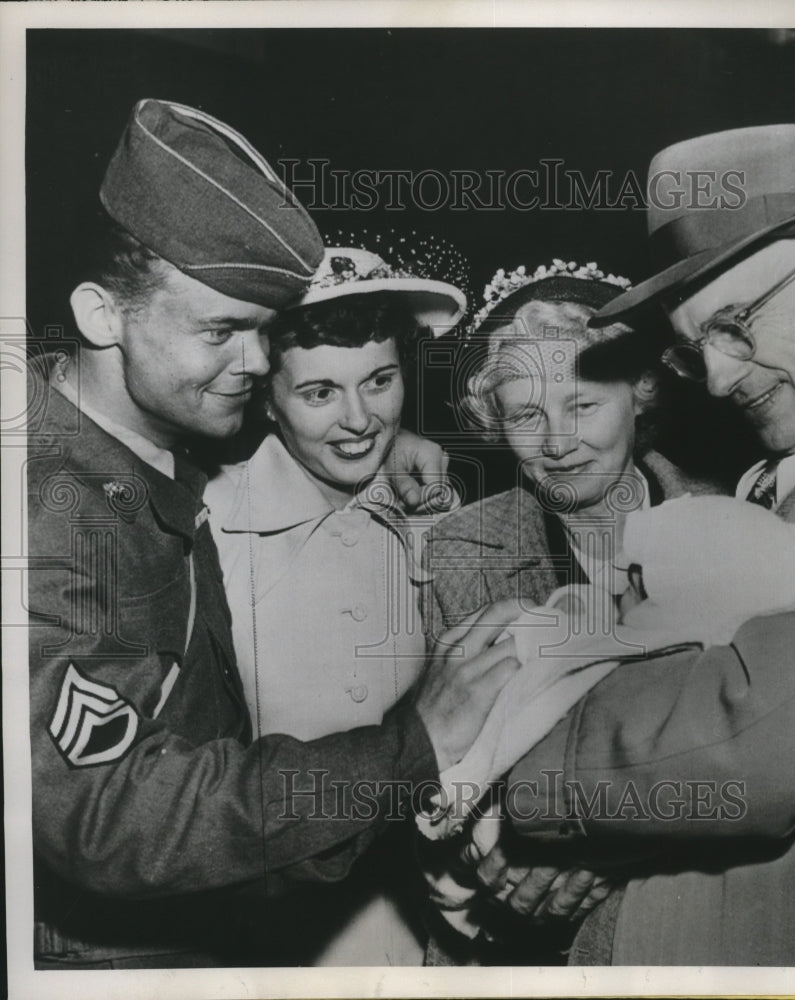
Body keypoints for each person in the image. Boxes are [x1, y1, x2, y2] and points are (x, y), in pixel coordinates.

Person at [27, 98, 519, 969]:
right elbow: (109, 814)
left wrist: (390, 445)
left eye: (261, 332)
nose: (256, 367)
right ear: (103, 317)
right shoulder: (50, 515)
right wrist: (414, 748)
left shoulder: (152, 445)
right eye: (222, 330)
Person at [494, 124, 795, 966]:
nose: (717, 377)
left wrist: (520, 771)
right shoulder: (761, 483)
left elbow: (777, 723)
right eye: (696, 343)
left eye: (738, 325)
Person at [204, 243, 468, 965]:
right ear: (265, 395)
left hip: (440, 925)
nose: (360, 420)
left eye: (379, 381)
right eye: (319, 393)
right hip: (279, 937)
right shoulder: (210, 527)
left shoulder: (435, 512)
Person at [423, 260, 719, 641]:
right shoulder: (459, 554)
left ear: (642, 392)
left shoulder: (738, 509)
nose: (557, 445)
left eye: (582, 407)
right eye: (527, 416)